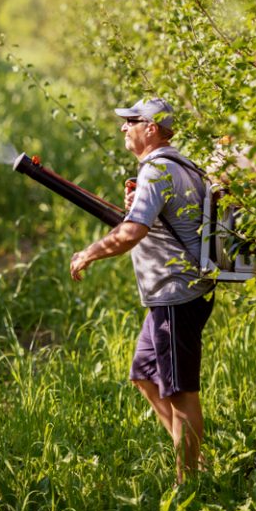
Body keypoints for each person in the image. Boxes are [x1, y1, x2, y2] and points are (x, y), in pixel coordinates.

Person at [69, 97, 215, 484]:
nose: (123, 127)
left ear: (151, 128)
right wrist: (138, 205)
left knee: (181, 392)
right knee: (144, 376)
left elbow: (131, 234)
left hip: (175, 295)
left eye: (131, 120)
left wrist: (90, 252)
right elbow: (166, 220)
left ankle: (190, 484)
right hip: (172, 295)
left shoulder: (159, 170)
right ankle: (196, 464)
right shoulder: (178, 165)